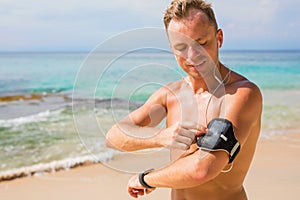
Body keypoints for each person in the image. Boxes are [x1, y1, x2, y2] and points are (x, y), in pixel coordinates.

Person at [105, 0, 262, 199]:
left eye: (202, 43)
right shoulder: (170, 94)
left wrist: (145, 179)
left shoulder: (241, 94)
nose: (192, 55)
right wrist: (161, 136)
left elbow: (202, 169)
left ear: (219, 38)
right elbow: (114, 136)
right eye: (181, 47)